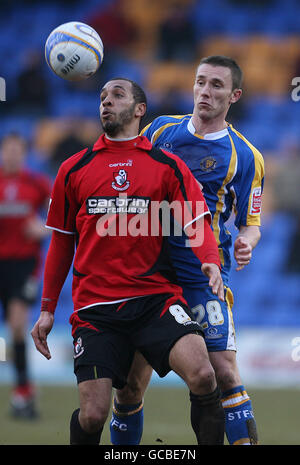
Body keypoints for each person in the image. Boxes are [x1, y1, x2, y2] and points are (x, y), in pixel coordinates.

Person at [31, 77, 226, 445]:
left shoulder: (166, 166)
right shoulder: (74, 169)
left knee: (203, 374)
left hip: (155, 300)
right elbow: (60, 243)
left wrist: (209, 260)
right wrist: (46, 309)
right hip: (97, 309)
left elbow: (195, 220)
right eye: (102, 96)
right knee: (92, 416)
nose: (106, 101)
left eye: (117, 95)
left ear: (139, 109)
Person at [110, 56, 264, 446]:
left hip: (203, 274)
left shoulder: (245, 156)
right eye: (200, 82)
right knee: (129, 385)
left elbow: (252, 220)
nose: (205, 92)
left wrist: (247, 240)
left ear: (234, 96)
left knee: (224, 373)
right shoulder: (161, 130)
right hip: (149, 271)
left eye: (216, 85)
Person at [0, 132, 52, 418]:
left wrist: (43, 229)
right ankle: (25, 391)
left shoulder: (36, 184)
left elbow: (62, 219)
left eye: (17, 150)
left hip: (23, 265)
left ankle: (22, 390)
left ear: (24, 154)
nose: (11, 155)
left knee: (17, 324)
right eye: (7, 150)